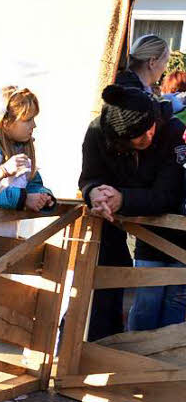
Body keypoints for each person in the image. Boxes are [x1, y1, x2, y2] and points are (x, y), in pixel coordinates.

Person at [80, 84, 186, 336]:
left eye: (151, 128)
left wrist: (122, 199)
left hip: (175, 231)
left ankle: (162, 371)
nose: (148, 136)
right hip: (129, 234)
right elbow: (90, 176)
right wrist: (94, 192)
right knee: (143, 305)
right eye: (138, 135)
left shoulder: (172, 131)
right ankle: (128, 365)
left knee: (175, 307)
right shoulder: (97, 133)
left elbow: (168, 193)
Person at [0, 87, 55, 214]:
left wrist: (43, 196)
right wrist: (23, 198)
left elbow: (33, 183)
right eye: (28, 120)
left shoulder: (21, 149)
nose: (34, 125)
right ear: (6, 122)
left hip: (6, 232)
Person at [116, 34, 184, 119]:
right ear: (152, 62)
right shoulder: (133, 94)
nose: (165, 68)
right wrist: (169, 108)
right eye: (165, 62)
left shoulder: (127, 84)